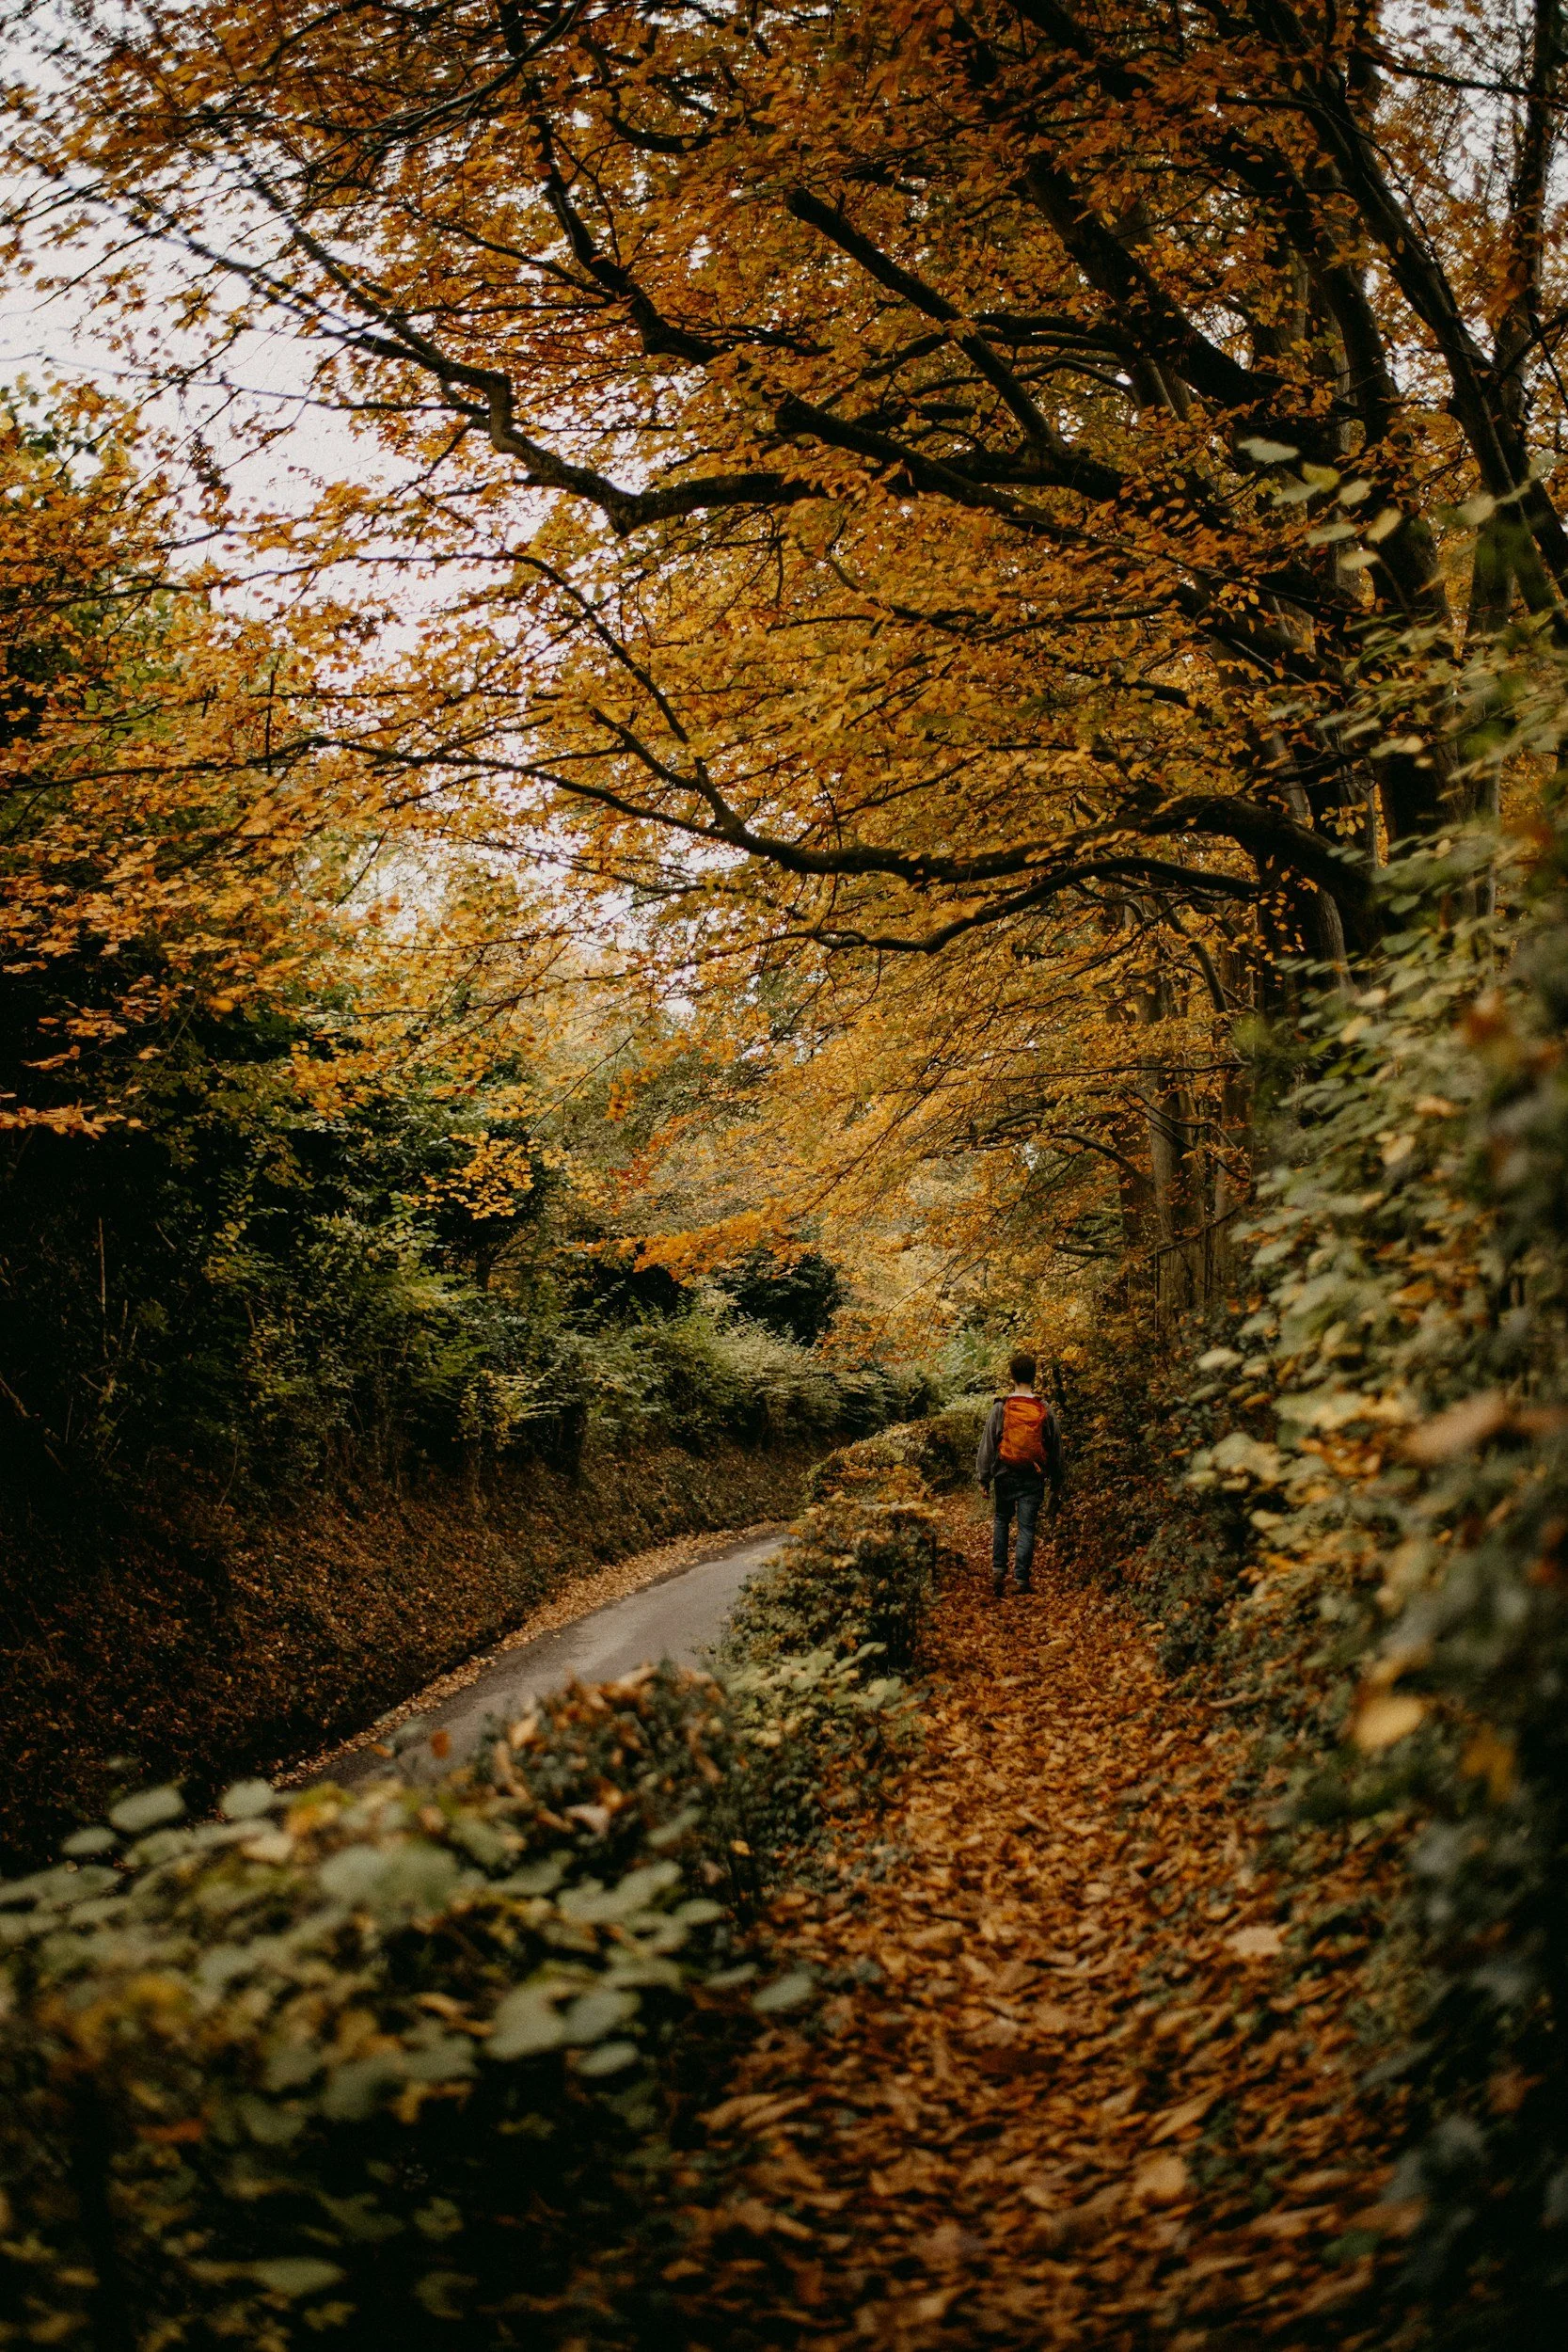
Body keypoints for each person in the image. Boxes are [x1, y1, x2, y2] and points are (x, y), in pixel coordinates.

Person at [975, 1349, 1065, 1598]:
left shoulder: (1002, 1407)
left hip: (1004, 1474)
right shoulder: (1044, 1408)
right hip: (1033, 1477)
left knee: (1002, 1520)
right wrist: (1057, 1479)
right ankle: (1021, 1579)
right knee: (1026, 1528)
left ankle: (997, 1570)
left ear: (1012, 1376)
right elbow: (1055, 1446)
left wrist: (983, 1477)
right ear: (1034, 1376)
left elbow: (988, 1444)